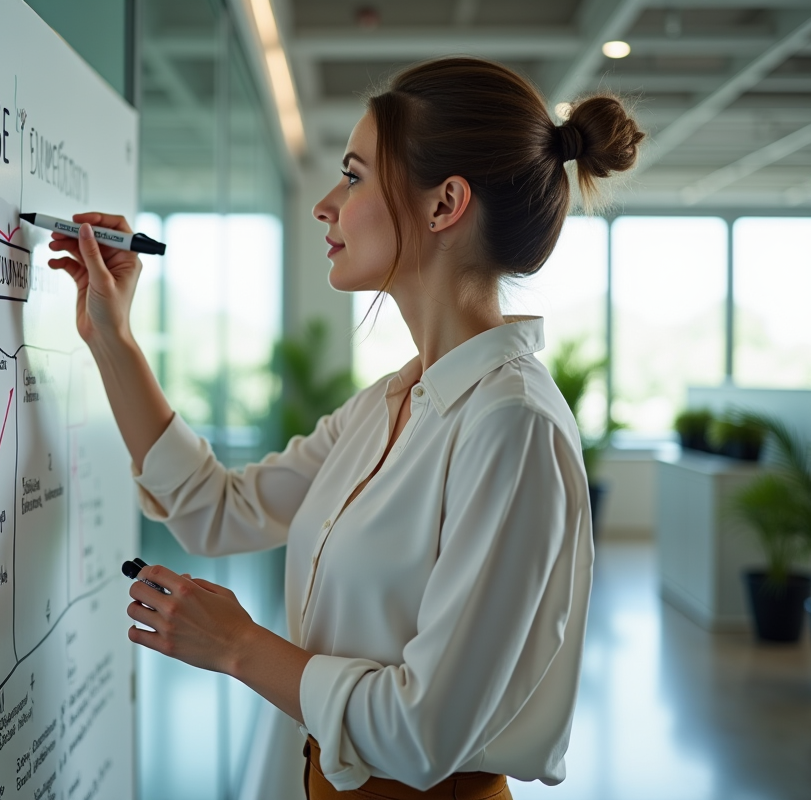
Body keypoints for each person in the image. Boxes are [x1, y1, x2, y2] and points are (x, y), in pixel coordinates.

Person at [47, 56, 644, 799]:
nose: (325, 204)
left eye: (355, 175)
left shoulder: (511, 426)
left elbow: (422, 734)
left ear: (445, 203)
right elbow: (215, 509)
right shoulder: (389, 404)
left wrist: (237, 646)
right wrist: (112, 336)